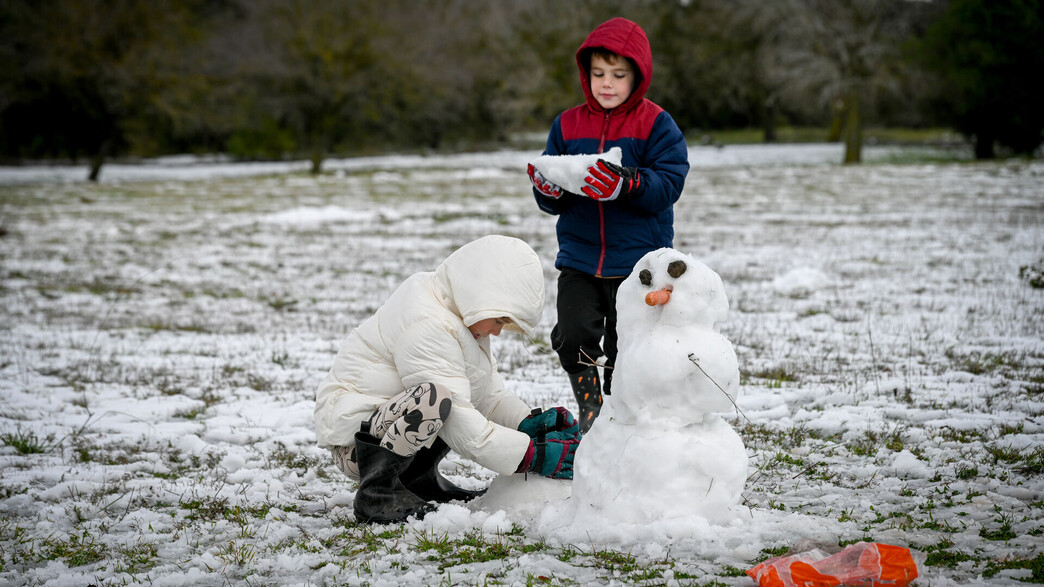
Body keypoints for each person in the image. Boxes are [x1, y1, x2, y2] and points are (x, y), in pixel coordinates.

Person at [314, 235, 582, 524]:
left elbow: (486, 393)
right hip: (357, 445)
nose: (497, 332)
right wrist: (531, 456)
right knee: (435, 401)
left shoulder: (460, 314)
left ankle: (417, 481)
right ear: (483, 296)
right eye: (500, 321)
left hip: (390, 423)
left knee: (448, 397)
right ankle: (377, 495)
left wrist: (526, 422)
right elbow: (458, 417)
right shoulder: (428, 321)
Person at [528, 17, 690, 433]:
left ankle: (621, 414)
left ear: (638, 75)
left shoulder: (656, 124)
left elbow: (669, 183)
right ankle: (591, 406)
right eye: (598, 73)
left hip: (637, 262)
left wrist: (628, 182)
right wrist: (548, 186)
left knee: (627, 345)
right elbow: (553, 198)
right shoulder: (567, 125)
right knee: (571, 332)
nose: (607, 83)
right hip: (579, 256)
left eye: (618, 75)